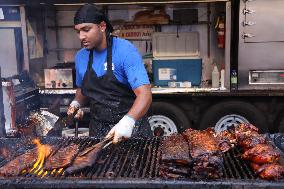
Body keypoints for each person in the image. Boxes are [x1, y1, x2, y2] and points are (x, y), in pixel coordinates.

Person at [67, 4, 153, 143]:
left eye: (86, 30)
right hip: (98, 131)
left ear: (102, 26)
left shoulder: (125, 51)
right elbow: (83, 89)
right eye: (78, 31)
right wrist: (77, 102)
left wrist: (128, 122)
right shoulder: (80, 57)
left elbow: (145, 94)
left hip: (132, 130)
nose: (81, 36)